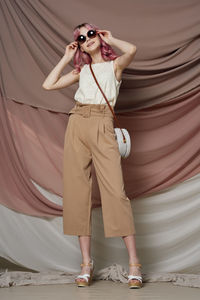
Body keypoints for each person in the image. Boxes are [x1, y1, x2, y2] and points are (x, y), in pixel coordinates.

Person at [42, 22, 142, 289]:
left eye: (90, 33)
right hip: (77, 122)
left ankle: (135, 264)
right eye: (81, 38)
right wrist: (65, 56)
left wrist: (113, 37)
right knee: (77, 193)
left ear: (99, 35)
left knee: (115, 192)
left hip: (102, 123)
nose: (87, 39)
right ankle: (86, 264)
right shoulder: (81, 70)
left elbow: (132, 49)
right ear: (79, 45)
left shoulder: (114, 66)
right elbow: (48, 85)